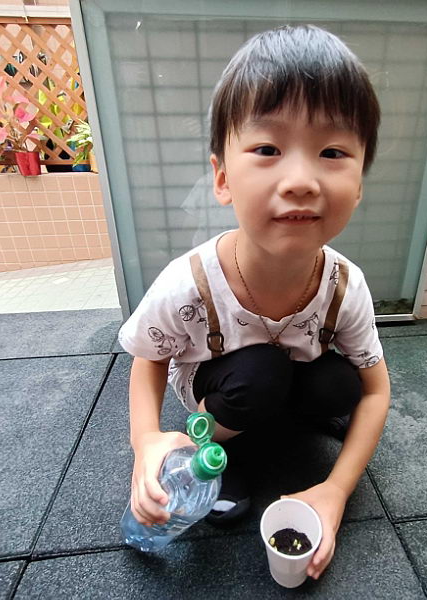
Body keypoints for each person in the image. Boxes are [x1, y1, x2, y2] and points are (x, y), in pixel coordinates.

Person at [119, 24, 391, 580]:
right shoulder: (189, 283)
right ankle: (225, 455)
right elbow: (148, 358)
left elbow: (376, 390)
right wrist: (147, 442)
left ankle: (283, 424)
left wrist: (336, 490)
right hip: (224, 388)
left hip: (288, 377)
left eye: (332, 151)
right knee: (259, 374)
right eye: (268, 149)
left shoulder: (345, 285)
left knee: (341, 383)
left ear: (360, 183)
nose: (301, 180)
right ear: (222, 177)